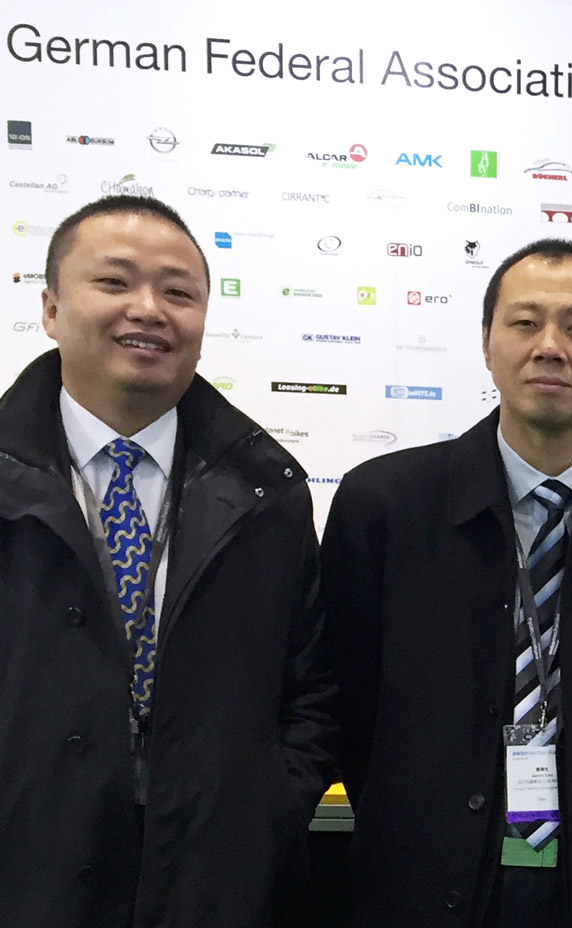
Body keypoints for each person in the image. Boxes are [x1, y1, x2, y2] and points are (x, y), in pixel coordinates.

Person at [321, 239, 572, 927]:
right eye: (524, 323)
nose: (550, 347)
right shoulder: (385, 506)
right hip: (426, 885)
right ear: (487, 342)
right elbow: (350, 709)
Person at [0, 195, 334, 926]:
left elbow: (312, 686)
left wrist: (267, 810)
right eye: (114, 282)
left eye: (178, 293)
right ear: (51, 309)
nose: (149, 309)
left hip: (213, 880)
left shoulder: (266, 490)